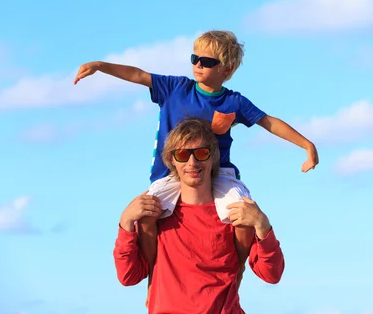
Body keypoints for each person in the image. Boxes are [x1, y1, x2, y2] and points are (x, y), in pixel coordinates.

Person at [74, 30, 317, 291]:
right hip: (170, 172)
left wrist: (307, 145)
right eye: (195, 58)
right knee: (147, 215)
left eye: (208, 61)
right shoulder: (176, 88)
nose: (198, 64)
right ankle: (154, 277)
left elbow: (268, 122)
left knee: (242, 212)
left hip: (219, 172)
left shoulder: (233, 101)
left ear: (227, 69)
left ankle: (237, 272)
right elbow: (137, 74)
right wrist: (100, 66)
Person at [114, 117, 285, 313]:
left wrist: (263, 227)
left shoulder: (234, 214)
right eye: (182, 154)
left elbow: (272, 275)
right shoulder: (157, 217)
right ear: (172, 160)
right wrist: (125, 223)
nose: (192, 162)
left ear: (213, 158)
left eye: (202, 153)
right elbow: (128, 277)